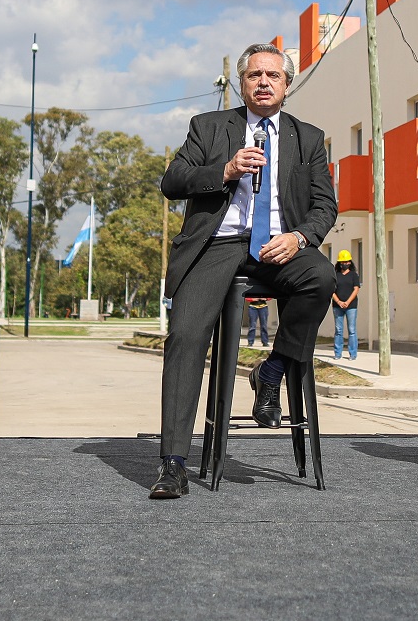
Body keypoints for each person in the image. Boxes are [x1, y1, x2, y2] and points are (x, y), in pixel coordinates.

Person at [148, 43, 337, 498]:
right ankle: (173, 462)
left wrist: (300, 237)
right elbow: (172, 182)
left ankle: (271, 370)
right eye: (255, 75)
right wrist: (226, 170)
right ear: (242, 82)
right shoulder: (209, 127)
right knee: (187, 335)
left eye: (274, 75)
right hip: (218, 243)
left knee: (323, 278)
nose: (264, 82)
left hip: (281, 245)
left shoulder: (307, 137)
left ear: (287, 85)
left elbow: (325, 205)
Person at [332, 250, 360, 360]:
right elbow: (331, 290)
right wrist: (338, 302)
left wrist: (347, 302)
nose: (345, 263)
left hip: (351, 306)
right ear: (339, 263)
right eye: (343, 262)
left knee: (352, 330)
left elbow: (356, 289)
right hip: (337, 306)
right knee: (338, 330)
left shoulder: (354, 275)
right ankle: (337, 354)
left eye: (347, 261)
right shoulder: (335, 275)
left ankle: (353, 354)